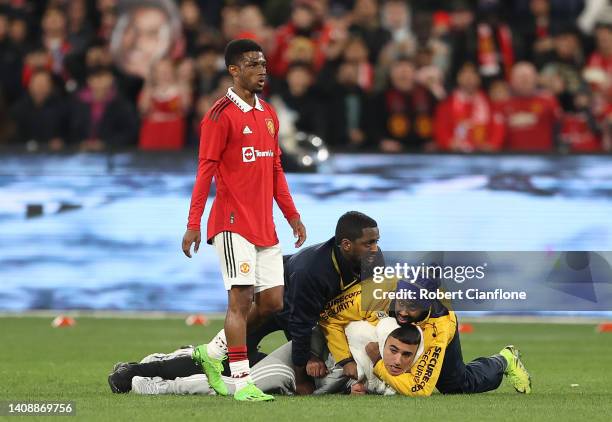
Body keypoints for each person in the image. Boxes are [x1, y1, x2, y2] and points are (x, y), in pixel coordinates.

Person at [181, 39, 306, 402]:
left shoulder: (268, 114)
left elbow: (276, 169)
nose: (261, 70)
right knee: (240, 300)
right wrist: (194, 222)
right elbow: (205, 171)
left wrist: (292, 215)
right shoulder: (219, 115)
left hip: (264, 225)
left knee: (272, 304)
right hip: (232, 222)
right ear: (234, 71)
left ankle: (212, 352)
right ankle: (240, 382)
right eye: (252, 64)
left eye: (264, 63)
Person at [320, 277, 533, 396]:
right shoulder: (375, 292)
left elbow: (419, 389)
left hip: (430, 335)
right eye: (400, 302)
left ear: (426, 305)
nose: (403, 311)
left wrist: (377, 362)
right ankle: (370, 385)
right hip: (385, 333)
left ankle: (504, 359)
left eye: (411, 308)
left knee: (456, 386)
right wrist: (345, 360)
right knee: (360, 327)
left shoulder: (439, 327)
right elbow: (328, 317)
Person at [107, 319, 422, 397]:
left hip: (312, 382)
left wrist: (361, 387)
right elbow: (321, 328)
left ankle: (181, 355)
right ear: (383, 340)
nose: (397, 358)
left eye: (406, 355)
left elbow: (395, 388)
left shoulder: (396, 378)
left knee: (246, 360)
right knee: (238, 387)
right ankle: (156, 385)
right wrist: (311, 357)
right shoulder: (364, 332)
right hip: (294, 365)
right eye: (393, 349)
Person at [138, 58, 191, 150]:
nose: (164, 74)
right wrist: (148, 88)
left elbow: (186, 109)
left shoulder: (180, 89)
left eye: (167, 71)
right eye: (160, 71)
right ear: (155, 73)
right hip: (152, 129)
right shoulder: (149, 90)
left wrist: (184, 87)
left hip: (172, 128)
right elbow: (143, 110)